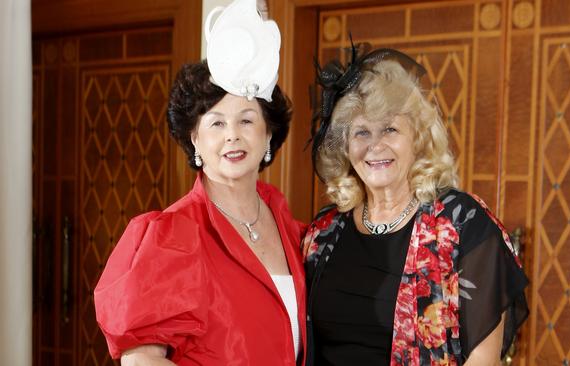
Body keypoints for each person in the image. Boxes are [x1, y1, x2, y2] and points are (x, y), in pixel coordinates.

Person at [94, 1, 306, 365]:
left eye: (246, 120)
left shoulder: (287, 223)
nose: (232, 137)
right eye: (217, 123)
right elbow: (141, 361)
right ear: (194, 139)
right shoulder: (173, 235)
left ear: (268, 134)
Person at [303, 44, 529, 365]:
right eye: (361, 132)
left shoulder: (463, 225)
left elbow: (483, 359)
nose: (375, 146)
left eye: (390, 129)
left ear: (418, 137)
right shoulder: (322, 233)